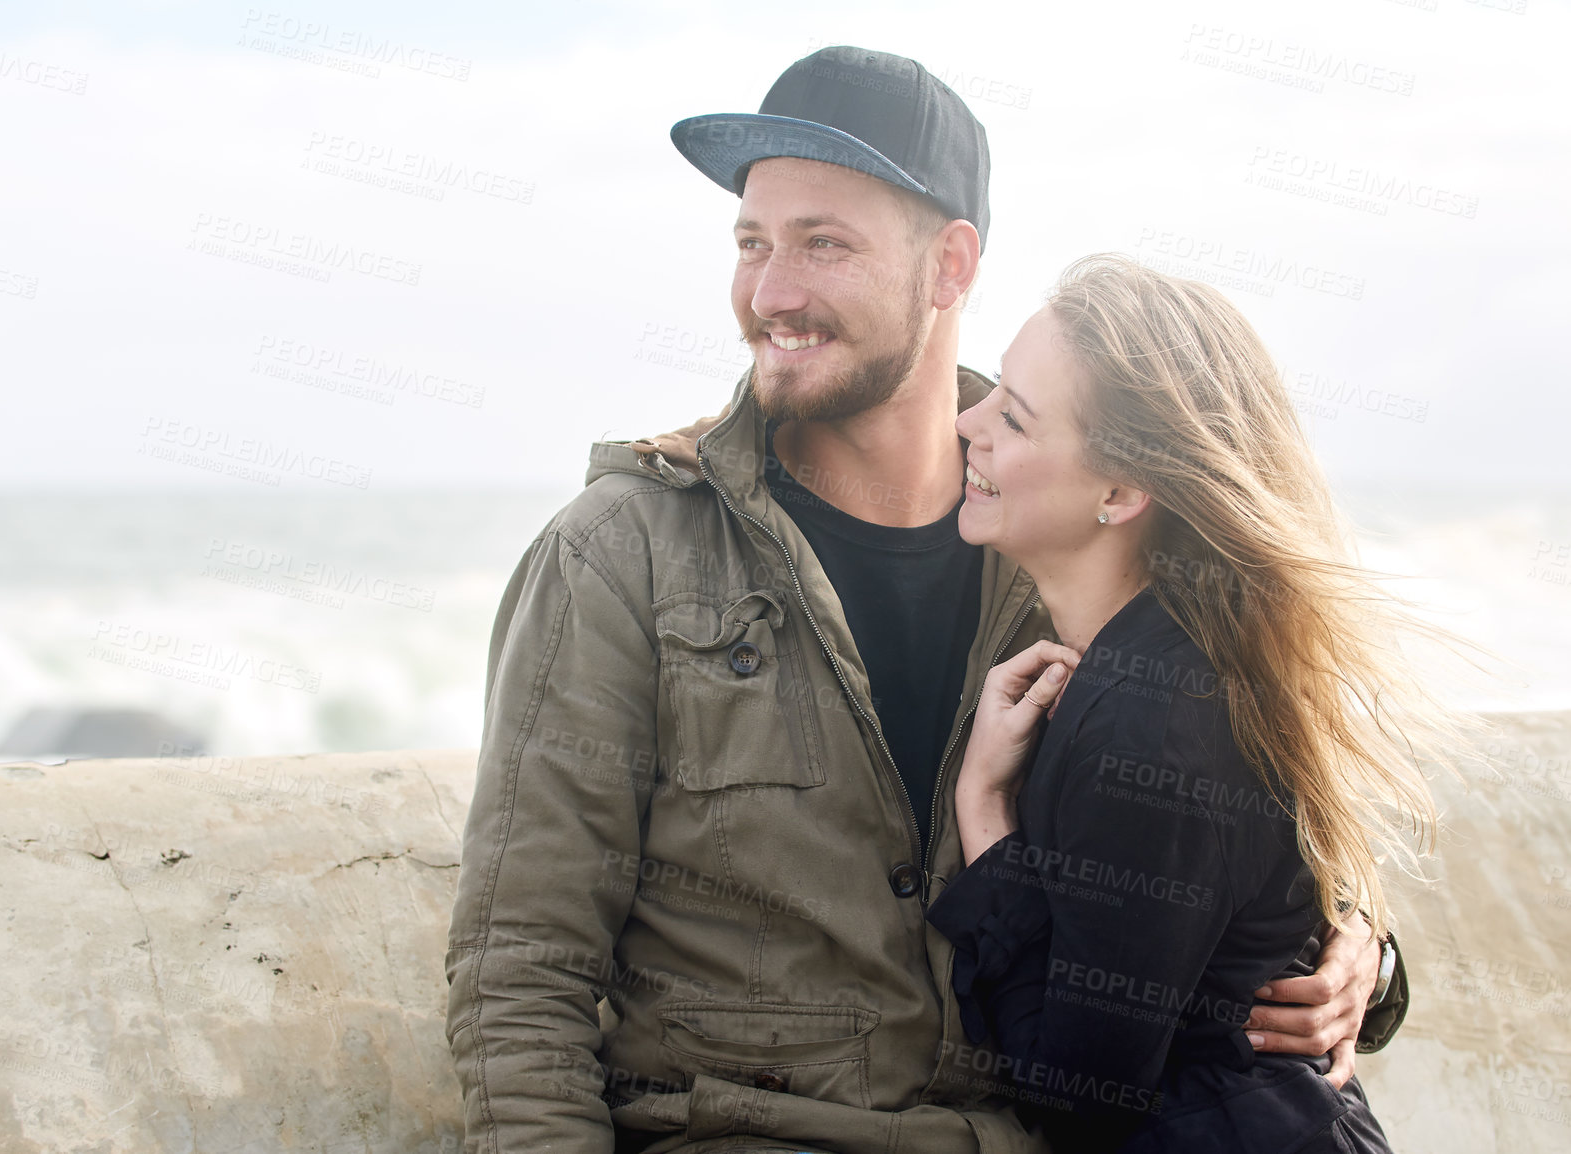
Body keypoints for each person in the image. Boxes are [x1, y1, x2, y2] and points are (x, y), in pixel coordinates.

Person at [445, 46, 1402, 1154]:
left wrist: (1365, 953)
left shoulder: (1073, 531)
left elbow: (1252, 822)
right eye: (752, 243)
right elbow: (521, 971)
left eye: (824, 243)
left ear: (950, 267)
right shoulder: (620, 554)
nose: (771, 292)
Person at [928, 255, 1459, 1151]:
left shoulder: (1153, 717)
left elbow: (1077, 1097)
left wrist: (983, 811)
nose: (965, 423)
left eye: (1012, 416)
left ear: (1122, 492)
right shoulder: (1177, 659)